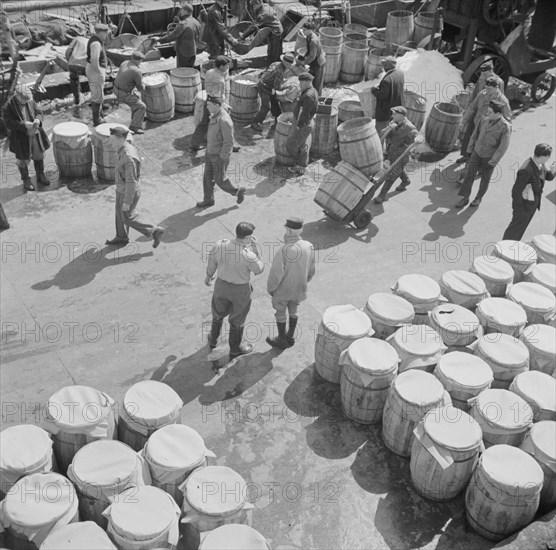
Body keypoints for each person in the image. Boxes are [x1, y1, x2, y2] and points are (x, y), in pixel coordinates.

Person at [205, 222, 264, 359]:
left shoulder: (220, 245)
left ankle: (213, 339)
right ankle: (235, 349)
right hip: (240, 291)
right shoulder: (248, 255)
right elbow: (259, 269)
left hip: (221, 286)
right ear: (248, 238)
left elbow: (212, 261)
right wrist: (256, 249)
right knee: (237, 320)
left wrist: (208, 277)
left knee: (217, 314)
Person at [106, 126, 164, 247]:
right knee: (119, 212)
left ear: (121, 139)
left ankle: (154, 230)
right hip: (122, 189)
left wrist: (127, 201)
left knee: (127, 216)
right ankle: (121, 237)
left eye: (113, 140)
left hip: (127, 191)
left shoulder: (128, 158)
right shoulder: (125, 147)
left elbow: (131, 182)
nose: (110, 142)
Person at [266, 217, 315, 349]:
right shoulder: (309, 246)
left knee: (280, 313)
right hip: (299, 288)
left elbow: (276, 274)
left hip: (283, 289)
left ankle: (281, 339)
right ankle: (290, 336)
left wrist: (271, 288)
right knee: (294, 310)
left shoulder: (284, 249)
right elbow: (311, 271)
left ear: (288, 230)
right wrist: (304, 281)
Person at [456, 100, 511, 208]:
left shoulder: (505, 127)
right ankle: (465, 198)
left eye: (490, 112)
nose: (487, 113)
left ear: (498, 114)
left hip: (489, 157)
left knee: (485, 179)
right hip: (477, 152)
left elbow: (502, 147)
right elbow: (474, 135)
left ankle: (478, 198)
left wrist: (493, 161)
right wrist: (469, 150)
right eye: (488, 111)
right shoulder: (484, 119)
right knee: (469, 175)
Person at [196, 96, 246, 208]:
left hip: (218, 156)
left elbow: (229, 142)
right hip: (210, 152)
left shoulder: (224, 120)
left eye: (209, 105)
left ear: (217, 105)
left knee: (220, 180)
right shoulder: (215, 115)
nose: (207, 107)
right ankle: (208, 200)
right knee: (207, 178)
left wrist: (222, 157)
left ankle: (237, 192)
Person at [503, 143, 555, 240]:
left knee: (520, 229)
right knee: (515, 229)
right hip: (524, 207)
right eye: (548, 157)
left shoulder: (540, 163)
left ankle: (512, 245)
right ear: (543, 157)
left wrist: (553, 171)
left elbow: (547, 176)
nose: (548, 159)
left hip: (532, 205)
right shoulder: (526, 170)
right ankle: (504, 248)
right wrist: (521, 209)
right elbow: (516, 192)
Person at [3, 86, 50, 192]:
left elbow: (39, 112)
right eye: (23, 99)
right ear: (17, 95)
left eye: (27, 100)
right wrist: (23, 125)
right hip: (20, 138)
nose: (25, 101)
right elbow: (9, 123)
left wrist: (38, 120)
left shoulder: (30, 100)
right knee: (23, 159)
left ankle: (40, 175)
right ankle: (26, 180)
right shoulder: (8, 107)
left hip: (35, 134)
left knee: (39, 155)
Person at [457, 76, 510, 164]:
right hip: (476, 123)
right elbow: (472, 107)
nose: (487, 90)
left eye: (490, 89)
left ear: (496, 87)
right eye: (486, 88)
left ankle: (481, 167)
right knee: (469, 141)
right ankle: (467, 157)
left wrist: (500, 134)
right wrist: (463, 121)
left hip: (489, 129)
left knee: (484, 150)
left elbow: (507, 121)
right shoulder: (482, 94)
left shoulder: (503, 101)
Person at [373, 106, 418, 204]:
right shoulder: (393, 123)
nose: (392, 115)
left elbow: (416, 135)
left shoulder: (409, 127)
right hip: (390, 153)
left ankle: (381, 196)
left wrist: (418, 139)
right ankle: (406, 181)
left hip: (401, 156)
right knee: (398, 170)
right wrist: (389, 128)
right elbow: (382, 133)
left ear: (401, 115)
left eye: (394, 114)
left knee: (391, 175)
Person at [191, 55, 232, 151]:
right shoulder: (219, 78)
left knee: (204, 123)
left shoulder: (210, 72)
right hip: (215, 103)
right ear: (221, 66)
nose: (227, 68)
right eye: (226, 66)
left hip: (208, 100)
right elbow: (217, 95)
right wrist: (224, 105)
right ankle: (227, 145)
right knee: (225, 124)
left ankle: (194, 143)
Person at [250, 52, 294, 133]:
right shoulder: (280, 72)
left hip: (264, 82)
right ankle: (255, 122)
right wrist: (287, 86)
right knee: (266, 106)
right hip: (264, 87)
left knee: (274, 101)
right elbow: (277, 87)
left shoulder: (276, 63)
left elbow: (271, 76)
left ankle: (277, 117)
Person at [286, 72, 318, 176]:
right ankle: (301, 166)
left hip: (303, 124)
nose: (299, 85)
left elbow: (304, 113)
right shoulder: (312, 91)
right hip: (306, 123)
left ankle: (299, 167)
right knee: (303, 145)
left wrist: (299, 125)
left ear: (306, 82)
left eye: (301, 83)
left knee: (292, 144)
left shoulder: (308, 96)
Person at [156, 2, 201, 68]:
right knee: (190, 70)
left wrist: (159, 39)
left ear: (185, 11)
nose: (180, 11)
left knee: (181, 72)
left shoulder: (183, 24)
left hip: (183, 54)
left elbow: (171, 37)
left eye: (181, 10)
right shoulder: (196, 22)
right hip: (193, 52)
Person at [240, 0, 283, 64]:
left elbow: (254, 26)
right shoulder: (265, 6)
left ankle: (270, 68)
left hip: (275, 33)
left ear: (259, 3)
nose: (253, 7)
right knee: (278, 51)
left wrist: (243, 36)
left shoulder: (264, 13)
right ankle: (278, 65)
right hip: (278, 29)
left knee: (272, 53)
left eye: (254, 5)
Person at [113, 51, 146, 135]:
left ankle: (136, 118)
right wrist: (145, 86)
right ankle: (135, 127)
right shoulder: (137, 71)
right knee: (141, 106)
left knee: (136, 100)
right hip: (123, 93)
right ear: (139, 61)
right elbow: (140, 88)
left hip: (116, 88)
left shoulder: (125, 62)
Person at [371, 56, 404, 134]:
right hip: (396, 108)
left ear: (387, 66)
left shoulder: (387, 80)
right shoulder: (400, 74)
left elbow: (382, 95)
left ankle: (380, 144)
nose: (383, 67)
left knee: (381, 131)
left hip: (385, 112)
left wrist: (374, 90)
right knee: (392, 130)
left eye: (384, 65)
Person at [86, 22, 110, 126]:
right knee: (97, 95)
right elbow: (94, 59)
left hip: (94, 70)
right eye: (106, 33)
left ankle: (99, 113)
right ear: (101, 33)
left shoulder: (96, 40)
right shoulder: (96, 43)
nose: (107, 35)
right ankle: (97, 119)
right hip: (95, 71)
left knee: (98, 93)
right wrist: (99, 71)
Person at [299, 22, 325, 95]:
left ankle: (317, 99)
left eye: (304, 30)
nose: (303, 31)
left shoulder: (313, 40)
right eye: (303, 29)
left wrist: (304, 62)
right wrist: (304, 56)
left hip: (318, 63)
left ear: (310, 30)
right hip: (314, 61)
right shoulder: (308, 36)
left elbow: (312, 56)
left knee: (317, 83)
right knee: (312, 81)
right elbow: (309, 50)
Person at [65, 35, 88, 105]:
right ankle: (97, 103)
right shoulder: (91, 41)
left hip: (73, 64)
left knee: (73, 78)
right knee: (94, 81)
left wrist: (69, 62)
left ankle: (77, 100)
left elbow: (68, 52)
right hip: (86, 65)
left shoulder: (76, 39)